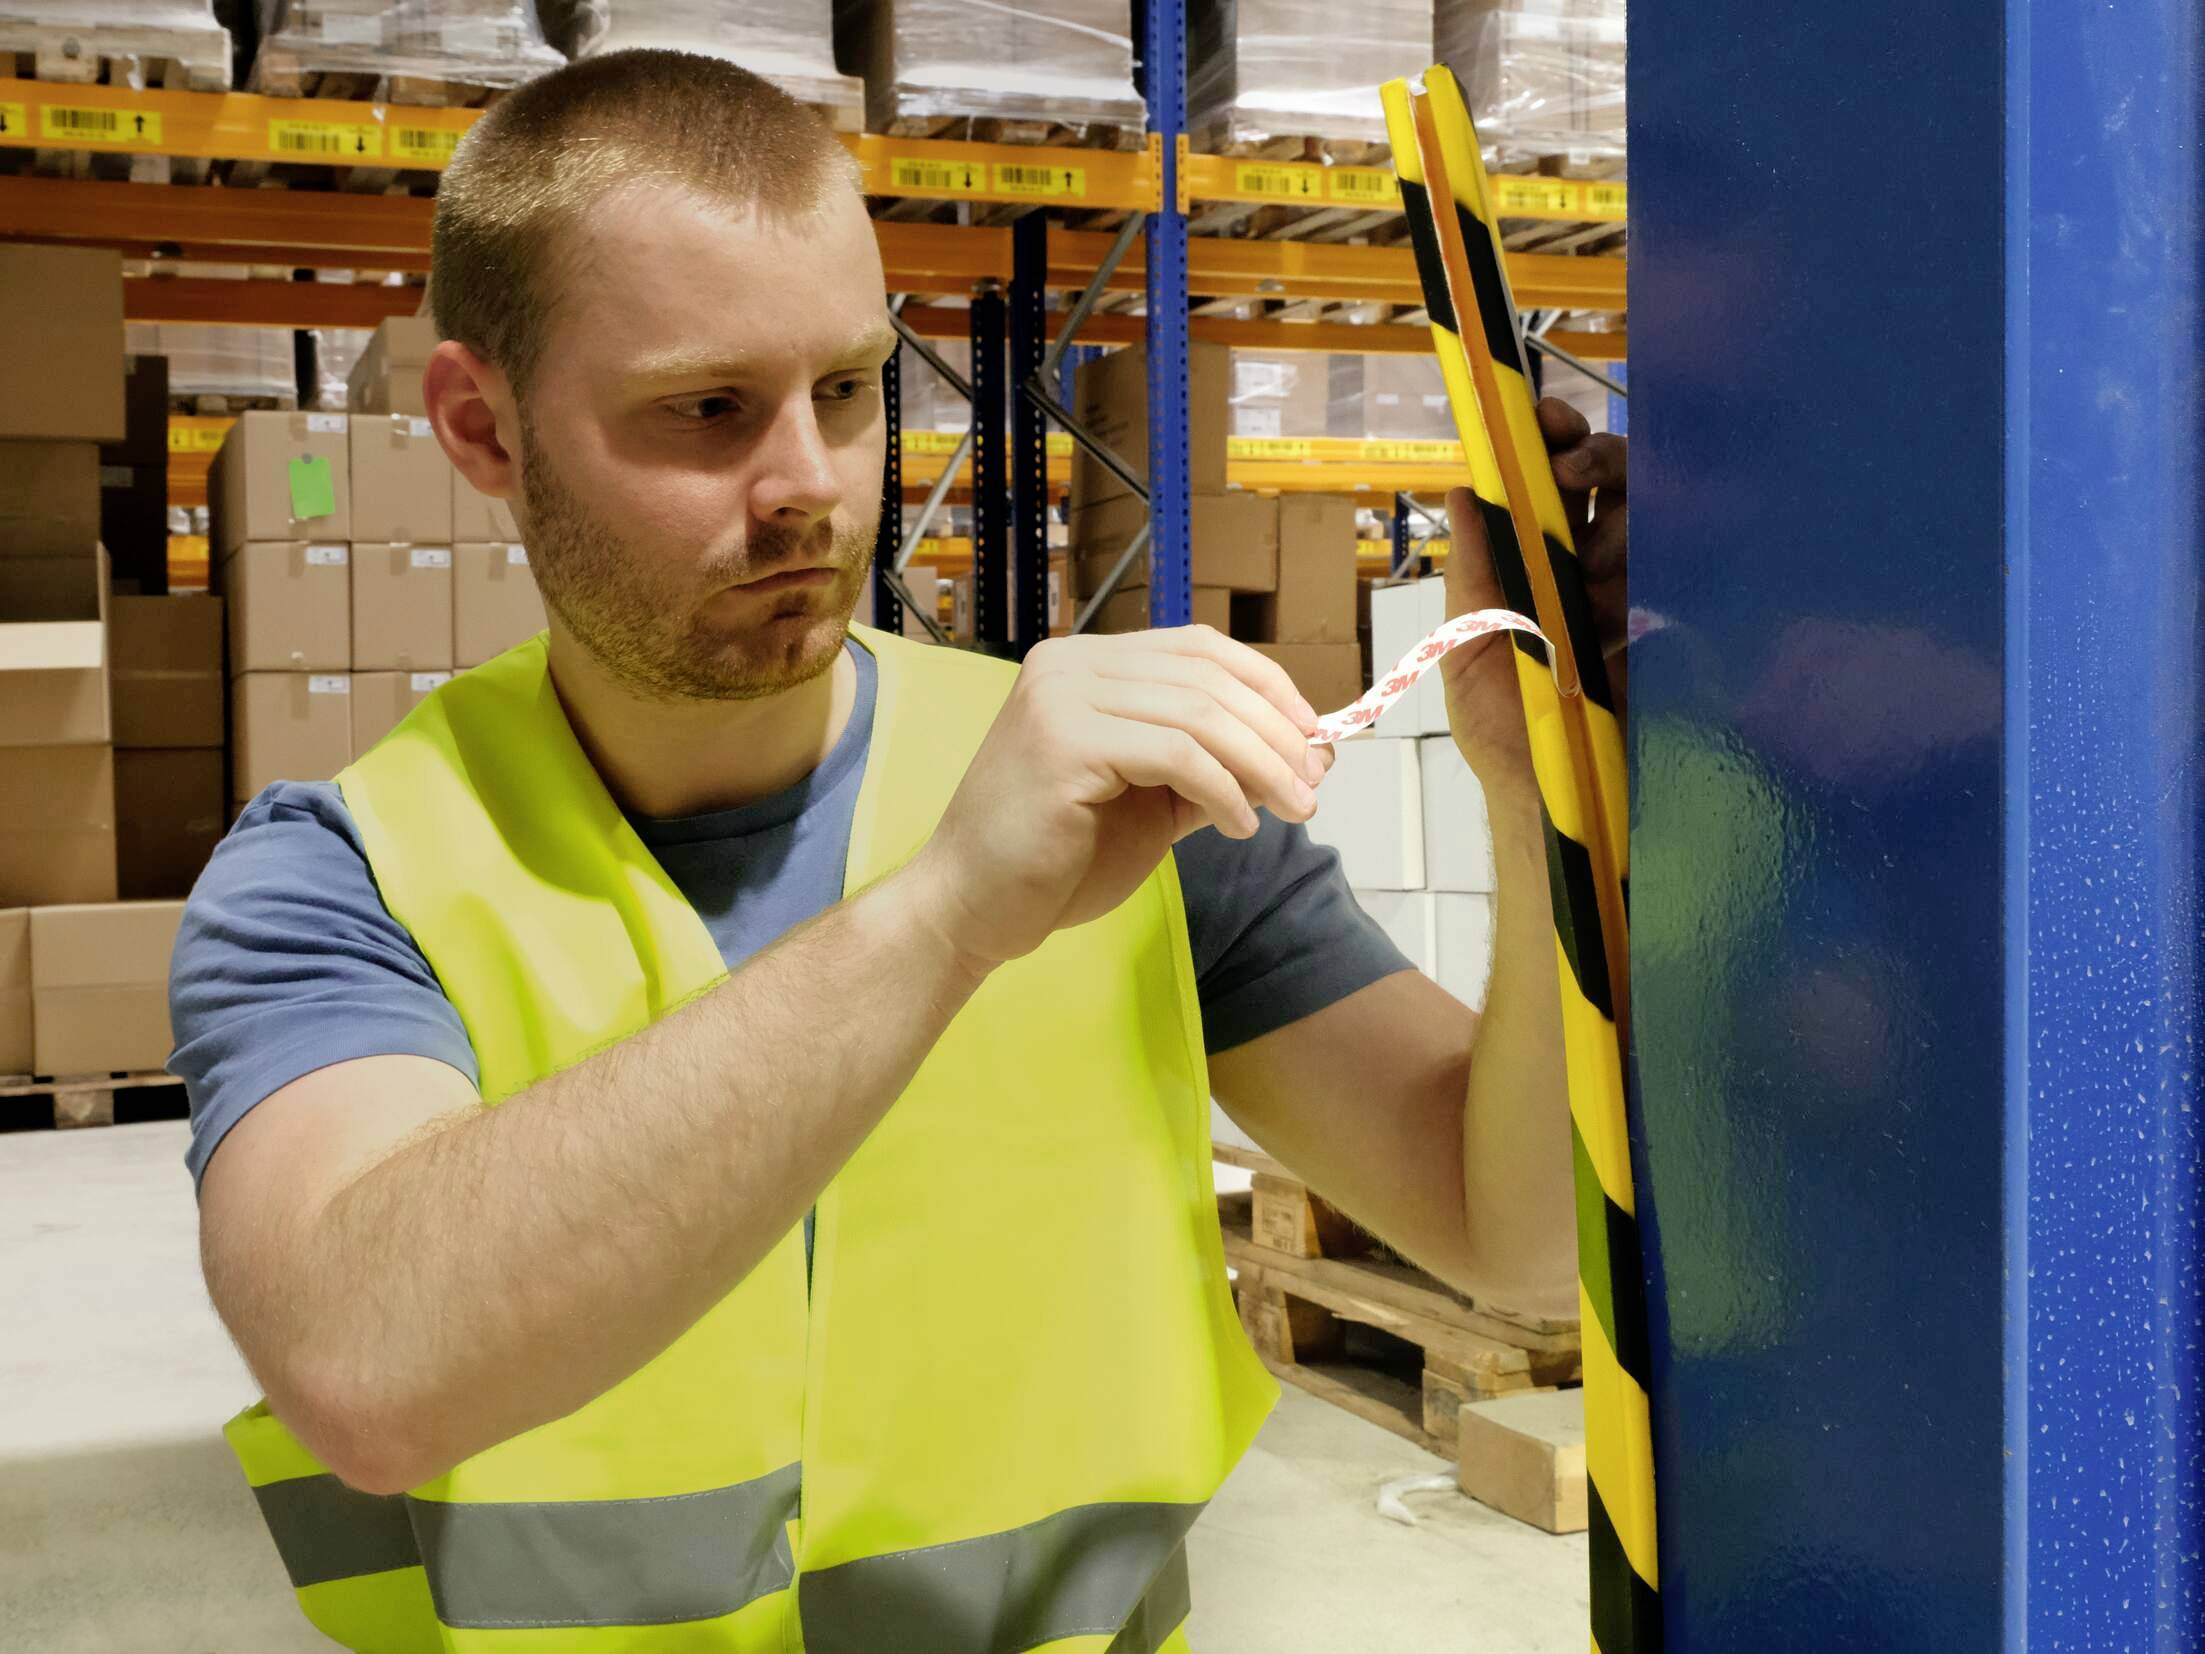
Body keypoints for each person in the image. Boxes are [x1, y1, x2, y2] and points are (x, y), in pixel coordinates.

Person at [174, 49, 1629, 1654]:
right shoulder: (345, 877)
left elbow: (1515, 1238)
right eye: (706, 409)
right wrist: (940, 917)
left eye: (851, 391)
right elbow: (367, 1367)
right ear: (481, 426)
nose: (809, 484)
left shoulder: (1126, 814)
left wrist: (1521, 784)